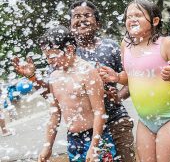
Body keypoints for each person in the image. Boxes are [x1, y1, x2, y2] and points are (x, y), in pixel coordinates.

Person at [13, 0, 135, 161]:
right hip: (81, 131)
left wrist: (118, 96)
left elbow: (133, 80)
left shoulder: (110, 47)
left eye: (87, 15)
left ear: (97, 23)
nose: (81, 20)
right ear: (70, 25)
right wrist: (32, 77)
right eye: (76, 16)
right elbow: (55, 96)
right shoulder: (58, 61)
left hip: (114, 118)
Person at [99, 0, 170, 162]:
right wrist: (116, 76)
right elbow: (132, 77)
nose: (132, 19)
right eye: (129, 17)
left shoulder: (167, 44)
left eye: (138, 15)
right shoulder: (126, 45)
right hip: (145, 120)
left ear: (155, 21)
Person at [37, 26, 115, 162]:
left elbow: (99, 111)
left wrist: (94, 146)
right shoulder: (54, 77)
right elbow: (55, 114)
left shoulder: (87, 72)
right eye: (47, 57)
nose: (49, 61)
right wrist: (47, 146)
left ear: (69, 49)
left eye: (52, 56)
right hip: (73, 139)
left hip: (95, 137)